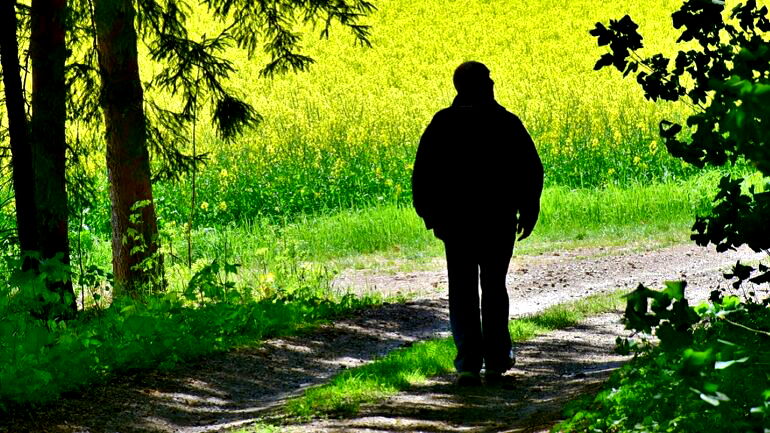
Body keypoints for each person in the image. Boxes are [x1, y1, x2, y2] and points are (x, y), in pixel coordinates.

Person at [411, 61, 543, 386]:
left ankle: (469, 363)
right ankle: (497, 360)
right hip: (497, 220)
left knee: (463, 290)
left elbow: (423, 174)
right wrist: (528, 210)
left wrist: (432, 217)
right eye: (487, 78)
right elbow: (531, 170)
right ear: (479, 85)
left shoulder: (443, 123)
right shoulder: (506, 122)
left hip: (456, 223)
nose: (492, 81)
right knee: (494, 288)